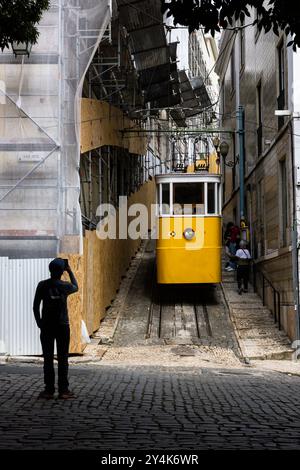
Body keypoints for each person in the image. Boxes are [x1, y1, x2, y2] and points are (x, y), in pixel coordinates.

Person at [33, 258, 78, 399]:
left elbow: (35, 306)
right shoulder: (65, 286)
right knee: (63, 358)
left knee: (48, 358)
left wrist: (39, 323)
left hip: (47, 326)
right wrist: (70, 271)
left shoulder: (42, 285)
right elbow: (76, 286)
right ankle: (64, 390)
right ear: (61, 271)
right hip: (62, 326)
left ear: (50, 270)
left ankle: (49, 390)